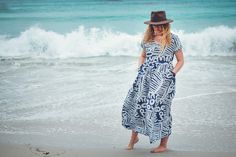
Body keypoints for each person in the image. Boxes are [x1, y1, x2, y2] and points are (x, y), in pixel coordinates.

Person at [121, 11, 184, 153]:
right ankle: (133, 139)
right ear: (151, 26)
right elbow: (142, 56)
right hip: (145, 78)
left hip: (164, 80)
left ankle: (163, 144)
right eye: (155, 25)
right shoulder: (147, 40)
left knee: (161, 109)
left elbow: (181, 61)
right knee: (139, 106)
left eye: (161, 25)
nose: (158, 28)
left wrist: (172, 73)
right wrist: (141, 67)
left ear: (166, 25)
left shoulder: (173, 39)